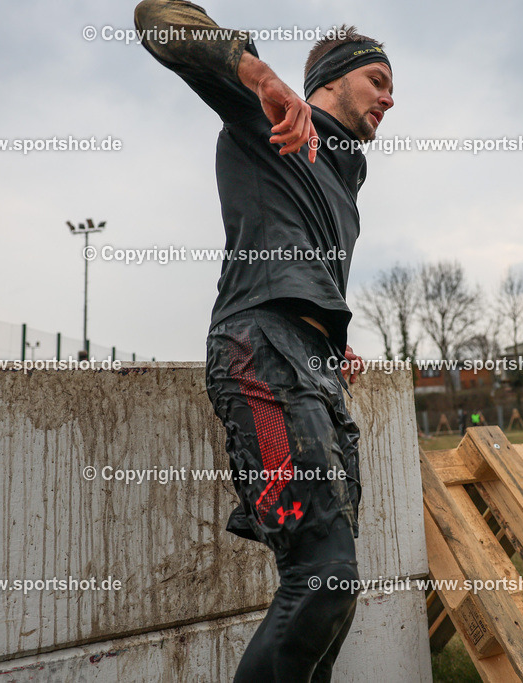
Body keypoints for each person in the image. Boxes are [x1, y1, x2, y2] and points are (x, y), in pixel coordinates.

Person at [134, 3, 393, 680]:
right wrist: (259, 74)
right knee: (321, 579)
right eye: (378, 79)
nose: (391, 97)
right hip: (260, 355)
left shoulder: (344, 178)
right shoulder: (263, 117)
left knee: (337, 586)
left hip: (314, 373)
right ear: (331, 80)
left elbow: (298, 261)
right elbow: (156, 17)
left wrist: (331, 342)